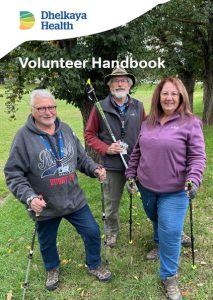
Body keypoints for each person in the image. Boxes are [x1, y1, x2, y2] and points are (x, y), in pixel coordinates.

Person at [4, 89, 112, 291]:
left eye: (51, 106)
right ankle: (52, 269)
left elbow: (81, 158)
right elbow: (13, 173)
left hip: (73, 200)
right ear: (33, 110)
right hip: (45, 204)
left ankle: (94, 264)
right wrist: (29, 198)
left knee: (92, 231)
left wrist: (95, 169)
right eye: (42, 108)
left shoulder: (67, 130)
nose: (48, 111)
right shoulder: (23, 137)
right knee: (47, 242)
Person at [125, 77, 206, 300]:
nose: (169, 98)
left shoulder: (190, 123)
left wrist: (194, 179)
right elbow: (137, 152)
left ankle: (169, 277)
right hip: (147, 186)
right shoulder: (148, 122)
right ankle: (160, 242)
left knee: (169, 230)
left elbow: (198, 157)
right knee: (155, 217)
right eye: (165, 93)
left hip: (175, 190)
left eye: (174, 93)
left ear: (181, 97)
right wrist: (131, 174)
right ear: (158, 97)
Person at [85, 67, 145, 247]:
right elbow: (89, 135)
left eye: (124, 80)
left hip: (137, 164)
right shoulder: (99, 107)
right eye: (116, 81)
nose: (120, 83)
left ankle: (165, 229)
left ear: (129, 84)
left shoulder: (139, 106)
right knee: (111, 205)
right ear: (110, 85)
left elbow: (147, 133)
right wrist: (106, 148)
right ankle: (111, 232)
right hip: (112, 165)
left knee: (153, 198)